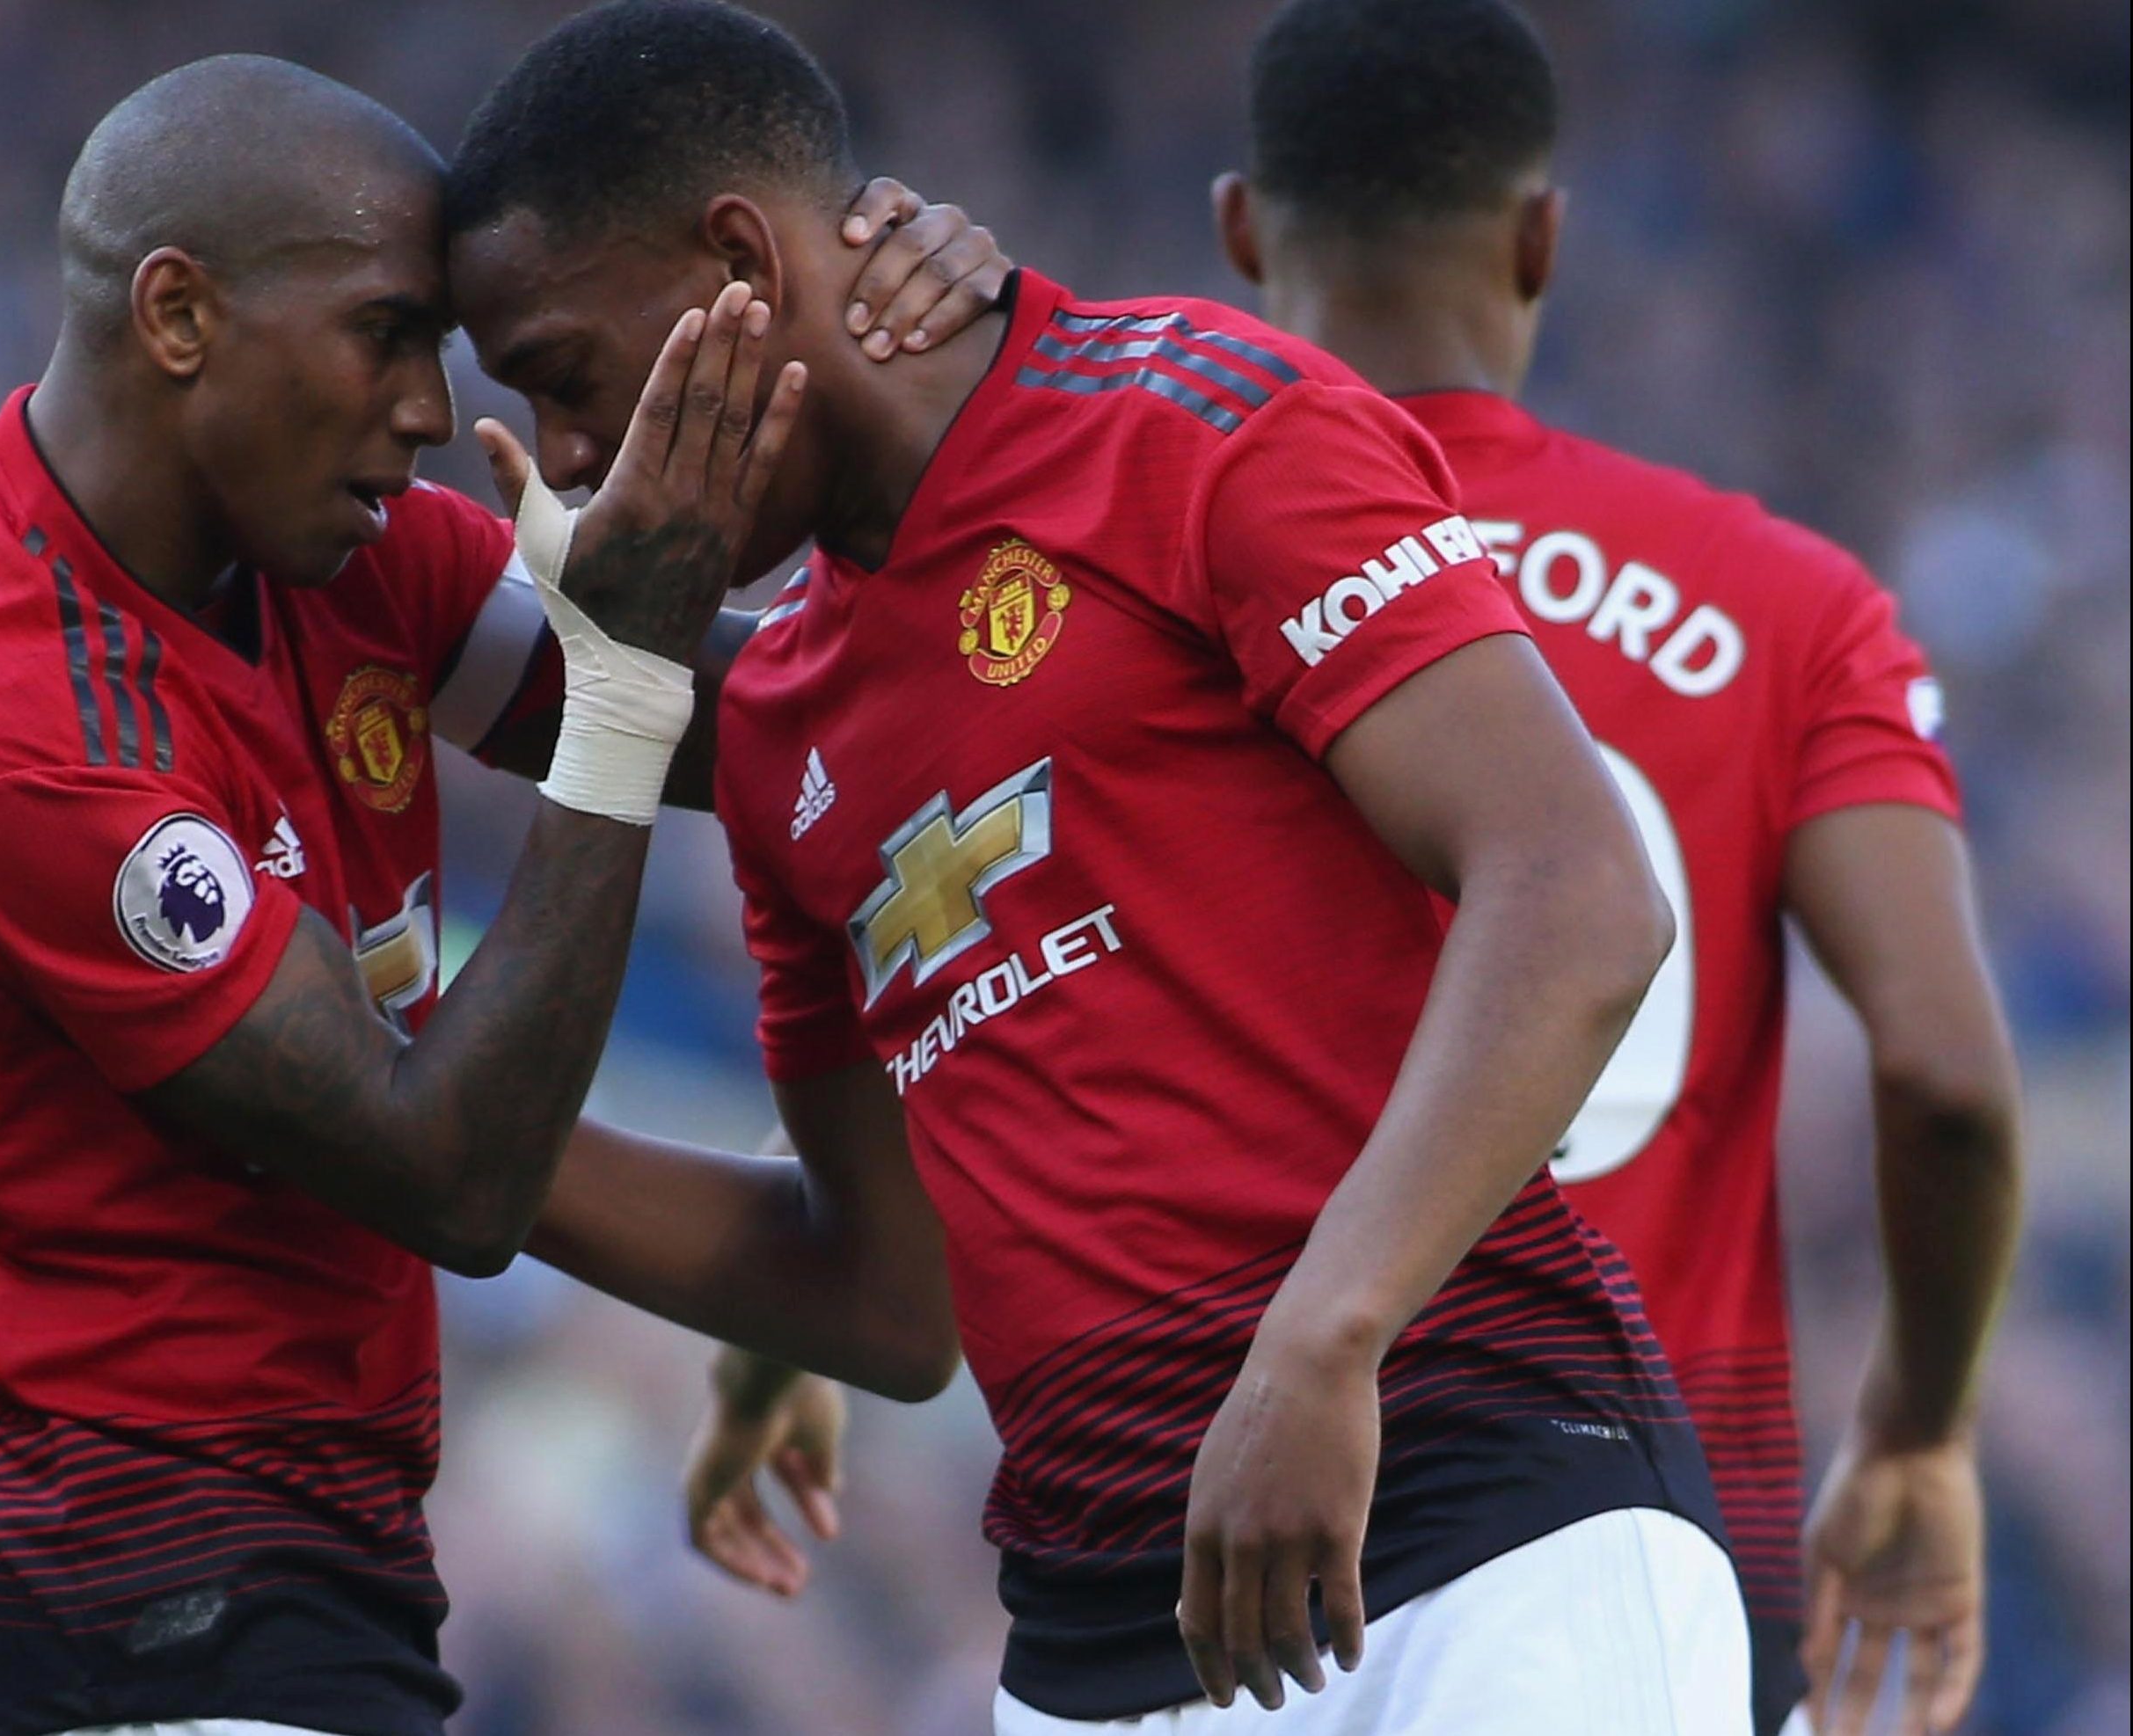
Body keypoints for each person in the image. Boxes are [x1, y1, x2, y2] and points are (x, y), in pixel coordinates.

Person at [446, 4, 1742, 1730]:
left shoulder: (1184, 419)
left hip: (1487, 1545)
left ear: (742, 264)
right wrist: (415, 1132)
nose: (570, 455)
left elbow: (1578, 892)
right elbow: (885, 1295)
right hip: (1095, 1660)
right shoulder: (778, 726)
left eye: (566, 377)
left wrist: (1325, 1338)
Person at [0, 52, 1004, 1736]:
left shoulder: (324, 560)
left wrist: (911, 397)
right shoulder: (0, 727)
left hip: (279, 1589)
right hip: (121, 1630)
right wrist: (621, 687)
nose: (433, 412)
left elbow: (777, 728)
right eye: (386, 334)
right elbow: (453, 1173)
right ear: (179, 315)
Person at [1194, 4, 2023, 1731]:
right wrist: (1917, 1432)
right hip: (1631, 1580)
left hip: (1210, 1572)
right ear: (1544, 236)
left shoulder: (1140, 597)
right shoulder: (1788, 605)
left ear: (1246, 232)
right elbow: (1949, 1079)